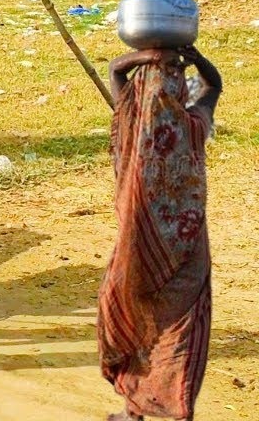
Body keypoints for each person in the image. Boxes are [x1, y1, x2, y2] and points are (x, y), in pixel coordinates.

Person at [99, 45, 221, 421]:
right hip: (177, 246)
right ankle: (150, 408)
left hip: (148, 247)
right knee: (172, 329)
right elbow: (213, 86)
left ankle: (151, 409)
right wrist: (193, 58)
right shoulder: (191, 121)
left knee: (152, 323)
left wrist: (145, 58)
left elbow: (117, 71)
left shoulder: (137, 121)